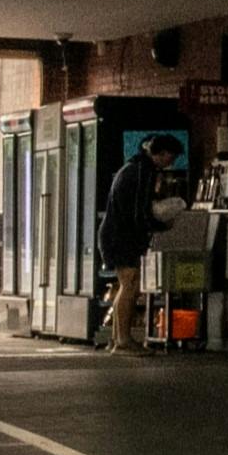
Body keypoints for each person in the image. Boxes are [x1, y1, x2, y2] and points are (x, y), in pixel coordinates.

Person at [96, 137, 170, 352]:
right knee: (130, 285)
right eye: (170, 157)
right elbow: (140, 211)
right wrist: (160, 225)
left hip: (114, 234)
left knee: (127, 284)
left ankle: (117, 338)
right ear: (160, 153)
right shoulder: (143, 172)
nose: (170, 163)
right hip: (122, 237)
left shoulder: (132, 167)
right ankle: (124, 341)